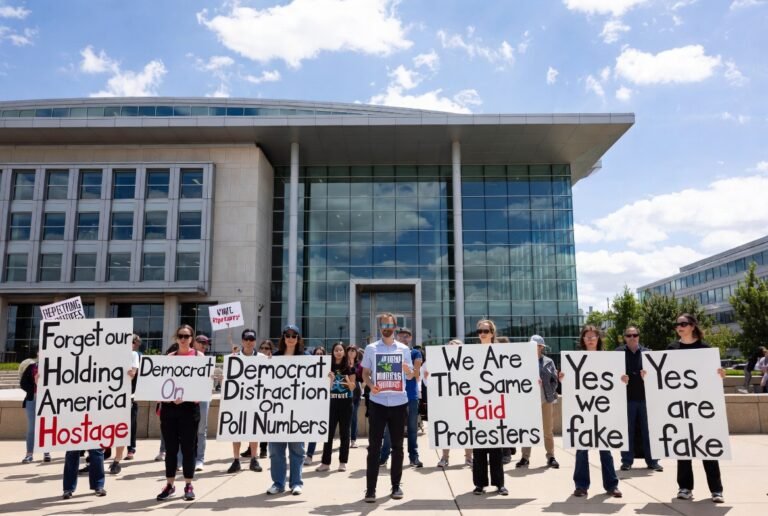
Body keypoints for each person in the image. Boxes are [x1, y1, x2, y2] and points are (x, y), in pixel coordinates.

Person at [667, 313, 726, 503]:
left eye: (683, 324)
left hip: (702, 405)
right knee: (683, 448)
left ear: (692, 326)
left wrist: (720, 374)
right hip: (680, 405)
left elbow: (711, 377)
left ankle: (716, 490)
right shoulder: (672, 349)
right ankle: (685, 487)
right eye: (677, 324)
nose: (680, 326)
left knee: (708, 448)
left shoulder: (705, 349)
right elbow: (665, 375)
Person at [562, 325, 622, 499]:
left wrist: (622, 379)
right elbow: (570, 385)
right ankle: (581, 486)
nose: (590, 339)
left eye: (593, 336)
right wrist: (563, 379)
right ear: (582, 340)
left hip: (602, 410)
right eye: (586, 336)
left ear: (598, 338)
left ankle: (612, 485)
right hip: (582, 410)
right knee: (582, 450)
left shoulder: (608, 359)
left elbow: (614, 384)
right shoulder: (575, 360)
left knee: (605, 449)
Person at [362, 313, 415, 503]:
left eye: (390, 324)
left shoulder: (403, 349)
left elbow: (410, 377)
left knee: (398, 447)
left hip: (399, 403)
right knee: (374, 447)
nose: (386, 327)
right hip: (378, 402)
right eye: (383, 324)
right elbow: (365, 374)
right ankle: (370, 489)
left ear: (395, 326)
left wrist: (406, 368)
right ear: (379, 327)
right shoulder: (371, 348)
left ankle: (396, 486)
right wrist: (370, 385)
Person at [156, 325, 204, 501]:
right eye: (180, 336)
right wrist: (168, 398)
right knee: (170, 449)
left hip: (189, 408)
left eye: (186, 336)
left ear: (192, 338)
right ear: (176, 338)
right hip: (169, 409)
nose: (183, 339)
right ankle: (169, 485)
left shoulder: (199, 357)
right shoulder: (169, 358)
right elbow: (161, 384)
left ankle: (188, 484)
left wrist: (186, 396)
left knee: (188, 448)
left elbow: (202, 386)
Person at [267, 324, 307, 495]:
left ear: (298, 339)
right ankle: (278, 483)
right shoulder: (274, 357)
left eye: (294, 335)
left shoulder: (306, 358)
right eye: (287, 335)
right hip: (276, 410)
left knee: (297, 449)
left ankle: (296, 483)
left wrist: (326, 377)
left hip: (298, 411)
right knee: (276, 451)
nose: (291, 338)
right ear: (283, 338)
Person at [616, 326, 662, 473]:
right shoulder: (617, 354)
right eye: (629, 335)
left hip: (646, 399)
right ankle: (627, 461)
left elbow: (659, 376)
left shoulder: (649, 354)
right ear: (624, 337)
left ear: (639, 337)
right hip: (626, 399)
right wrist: (619, 378)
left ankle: (653, 461)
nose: (632, 337)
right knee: (627, 431)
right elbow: (610, 376)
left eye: (635, 335)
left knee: (649, 431)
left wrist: (649, 376)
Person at [471, 320, 508, 496]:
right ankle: (479, 484)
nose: (482, 333)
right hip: (477, 405)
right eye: (480, 330)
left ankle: (499, 483)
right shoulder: (470, 353)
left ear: (492, 332)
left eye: (485, 330)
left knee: (496, 448)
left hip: (496, 405)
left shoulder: (501, 352)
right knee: (478, 448)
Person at [424, 339, 473, 469]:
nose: (453, 348)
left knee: (467, 429)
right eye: (450, 346)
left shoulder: (468, 362)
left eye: (456, 346)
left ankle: (469, 458)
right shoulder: (439, 362)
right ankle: (445, 458)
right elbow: (428, 381)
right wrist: (428, 376)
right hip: (446, 403)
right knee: (446, 429)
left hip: (463, 402)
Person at [517, 335, 560, 469]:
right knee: (528, 428)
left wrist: (548, 388)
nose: (534, 348)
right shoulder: (522, 361)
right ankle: (525, 457)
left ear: (541, 347)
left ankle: (551, 456)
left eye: (536, 346)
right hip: (528, 401)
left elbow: (555, 380)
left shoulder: (548, 361)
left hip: (545, 399)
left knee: (548, 429)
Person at [227, 328, 263, 473]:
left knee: (254, 430)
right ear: (242, 341)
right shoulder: (233, 358)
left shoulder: (262, 358)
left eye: (252, 339)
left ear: (255, 341)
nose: (249, 342)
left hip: (255, 399)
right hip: (238, 400)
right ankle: (236, 460)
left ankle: (254, 459)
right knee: (236, 430)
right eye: (246, 339)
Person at [316, 342, 355, 472]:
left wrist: (348, 381)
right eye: (336, 350)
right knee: (328, 434)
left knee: (345, 433)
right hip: (332, 403)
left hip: (346, 403)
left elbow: (353, 387)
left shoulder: (349, 368)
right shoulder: (328, 366)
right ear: (332, 352)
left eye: (341, 350)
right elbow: (323, 387)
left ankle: (343, 462)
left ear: (344, 352)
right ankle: (325, 463)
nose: (338, 352)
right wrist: (331, 380)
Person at [108, 344, 140, 474]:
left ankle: (117, 460)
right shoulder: (108, 353)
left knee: (121, 430)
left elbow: (132, 373)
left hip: (125, 398)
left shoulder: (132, 355)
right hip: (106, 398)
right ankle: (99, 457)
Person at [20, 348, 51, 464]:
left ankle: (46, 452)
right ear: (37, 353)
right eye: (40, 351)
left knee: (46, 427)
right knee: (32, 428)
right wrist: (34, 384)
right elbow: (23, 383)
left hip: (47, 400)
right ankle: (29, 454)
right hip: (32, 399)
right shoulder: (31, 367)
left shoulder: (52, 366)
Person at [398, 327, 423, 468]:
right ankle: (384, 456)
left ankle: (414, 457)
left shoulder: (415, 352)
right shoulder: (392, 351)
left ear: (410, 338)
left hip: (411, 395)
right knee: (391, 429)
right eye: (401, 336)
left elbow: (416, 375)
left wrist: (409, 370)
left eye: (406, 336)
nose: (403, 338)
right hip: (394, 395)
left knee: (412, 428)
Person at [305, 345, 327, 465]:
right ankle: (308, 454)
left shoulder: (329, 369)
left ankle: (313, 455)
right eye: (317, 354)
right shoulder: (309, 368)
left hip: (323, 403)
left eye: (321, 354)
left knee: (319, 431)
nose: (319, 356)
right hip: (310, 402)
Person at [193, 334, 211, 471]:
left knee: (201, 430)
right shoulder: (185, 356)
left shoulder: (206, 359)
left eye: (206, 343)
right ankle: (183, 459)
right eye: (201, 342)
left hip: (203, 397)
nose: (204, 345)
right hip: (187, 398)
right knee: (185, 431)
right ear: (194, 342)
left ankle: (200, 459)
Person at [125, 334, 142, 461]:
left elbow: (133, 374)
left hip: (130, 394)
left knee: (131, 422)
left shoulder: (135, 355)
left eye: (132, 342)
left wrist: (133, 372)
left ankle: (131, 448)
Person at [346, 345, 362, 448]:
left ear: (356, 353)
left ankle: (353, 439)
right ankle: (345, 440)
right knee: (345, 418)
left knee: (354, 417)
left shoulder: (359, 365)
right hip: (345, 393)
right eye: (350, 351)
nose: (351, 353)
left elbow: (363, 377)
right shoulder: (343, 364)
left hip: (356, 393)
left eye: (353, 351)